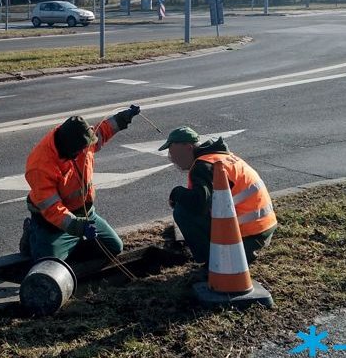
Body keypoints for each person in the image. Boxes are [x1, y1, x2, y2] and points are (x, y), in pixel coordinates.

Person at [20, 106, 141, 262]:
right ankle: (33, 234)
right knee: (50, 264)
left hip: (86, 213)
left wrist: (123, 117)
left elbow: (102, 131)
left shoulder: (80, 139)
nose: (87, 150)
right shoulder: (40, 165)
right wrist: (79, 227)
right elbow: (52, 209)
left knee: (114, 247)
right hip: (52, 225)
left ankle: (75, 242)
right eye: (81, 150)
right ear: (70, 150)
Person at [159, 127, 277, 265]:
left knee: (182, 212)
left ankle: (212, 261)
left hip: (246, 236)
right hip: (263, 229)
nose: (173, 158)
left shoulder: (203, 166)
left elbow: (199, 204)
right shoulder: (220, 157)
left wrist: (177, 193)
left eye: (173, 152)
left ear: (188, 147)